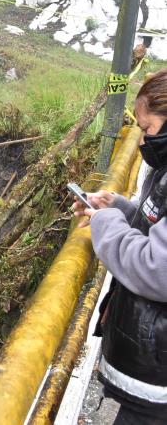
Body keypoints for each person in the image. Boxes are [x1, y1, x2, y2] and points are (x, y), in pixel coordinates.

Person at [73, 68, 167, 424]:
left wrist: (105, 223)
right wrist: (121, 209)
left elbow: (158, 268)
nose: (141, 141)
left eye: (147, 129)